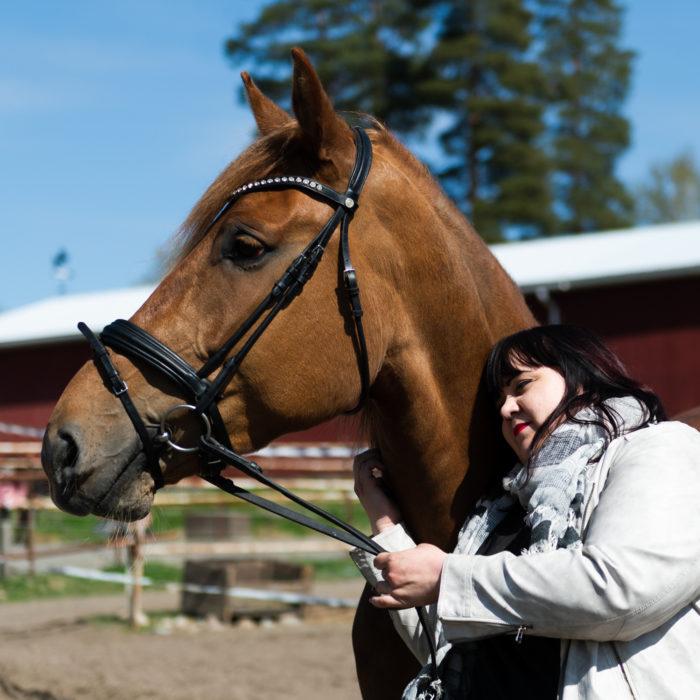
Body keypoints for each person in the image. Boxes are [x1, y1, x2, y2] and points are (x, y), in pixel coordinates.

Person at [350, 325, 700, 699]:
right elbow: (446, 645)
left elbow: (623, 589)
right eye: (500, 398)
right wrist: (384, 522)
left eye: (521, 385)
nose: (505, 407)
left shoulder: (662, 448)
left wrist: (448, 577)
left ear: (582, 375)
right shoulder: (500, 509)